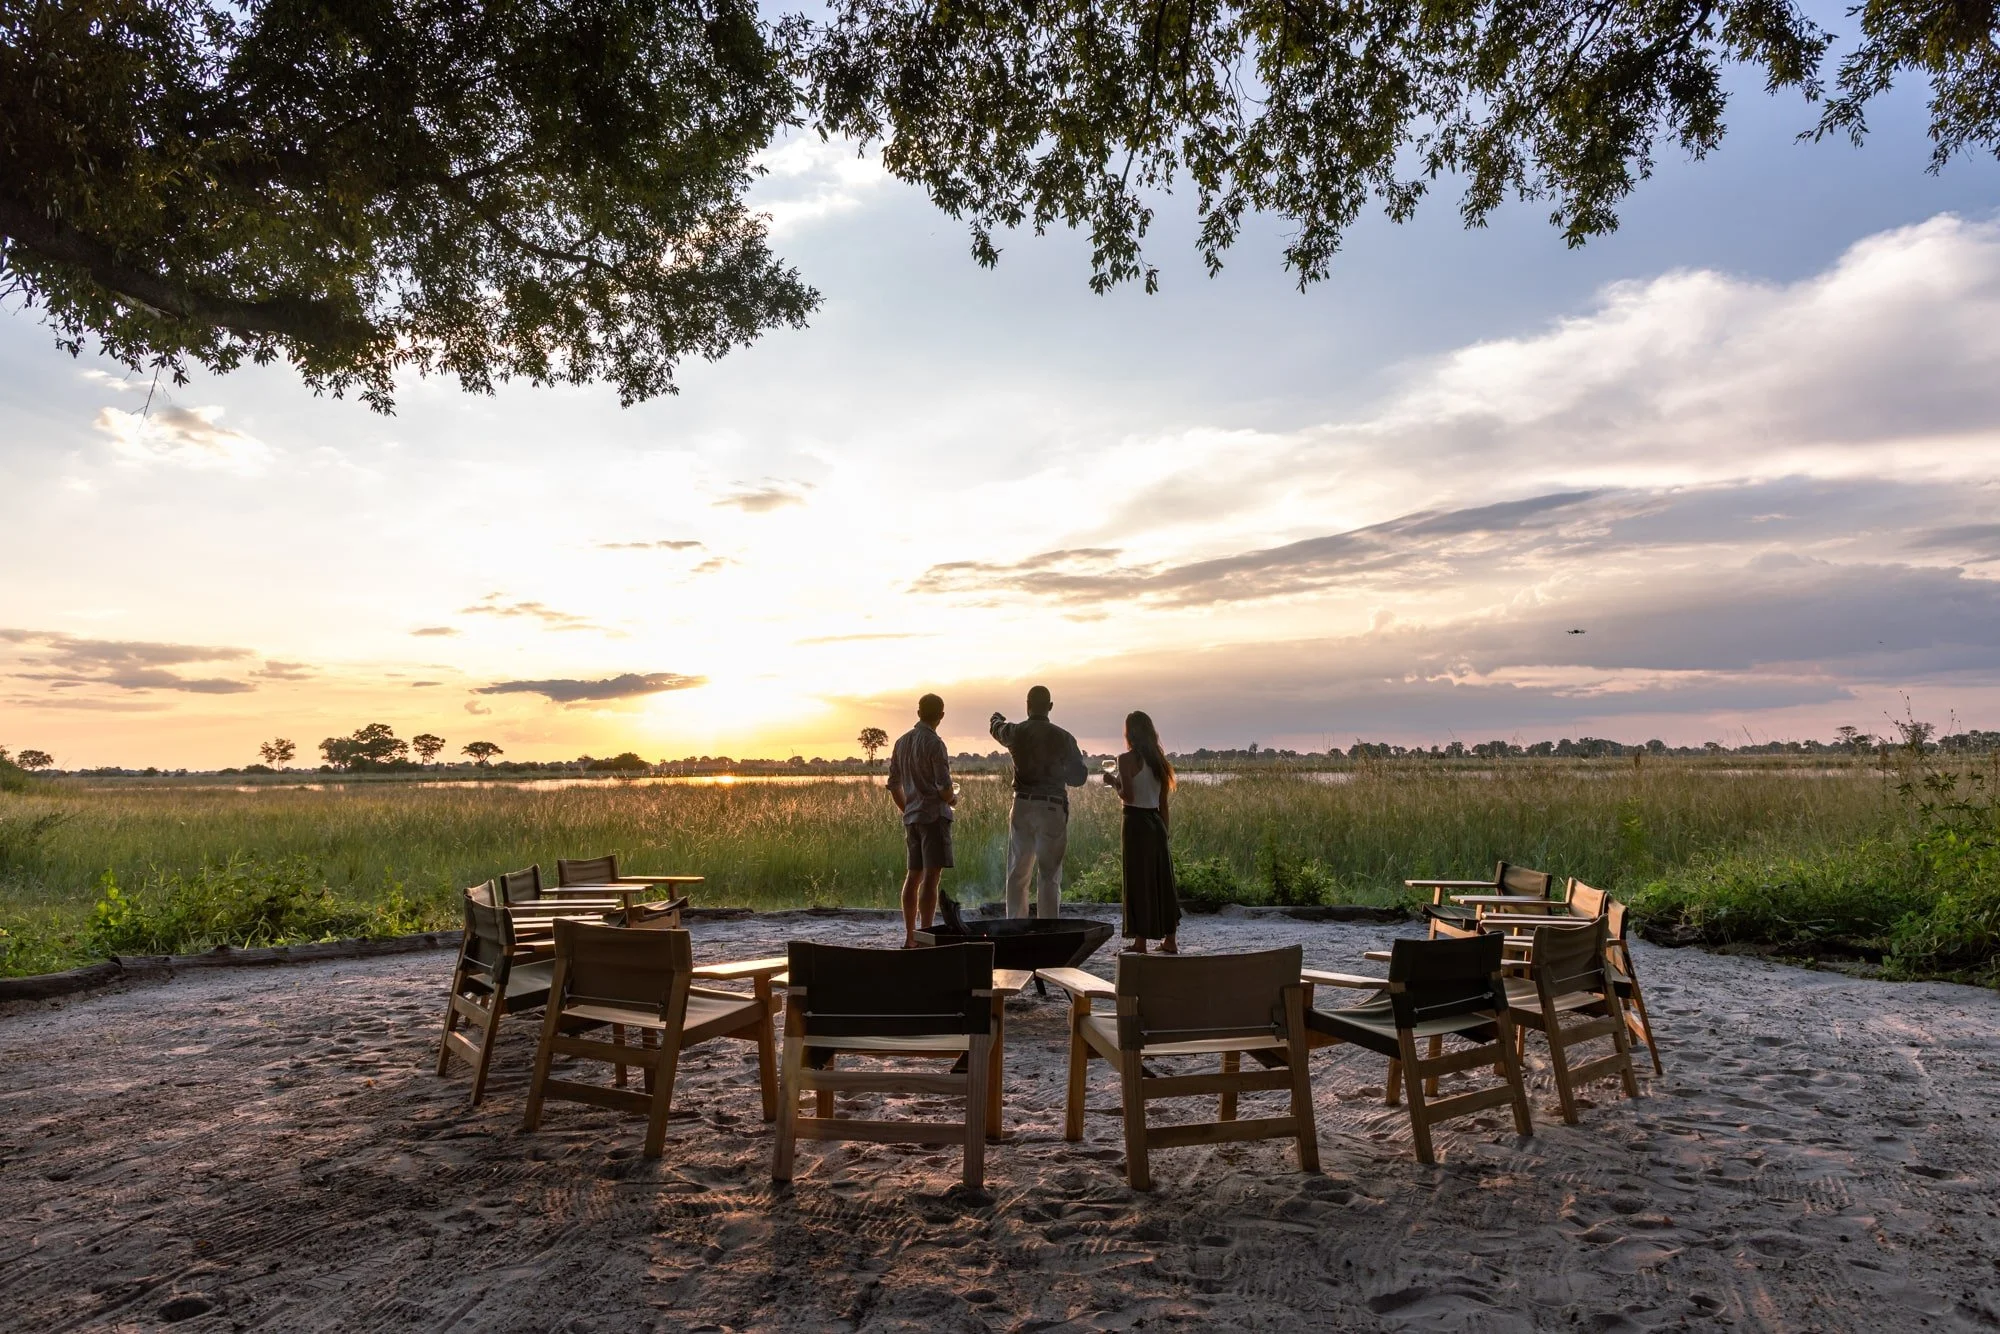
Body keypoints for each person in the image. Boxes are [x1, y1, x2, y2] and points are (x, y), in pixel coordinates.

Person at [989, 685, 1088, 919]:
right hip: (1052, 806)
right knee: (1049, 874)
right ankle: (1049, 927)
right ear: (1050, 707)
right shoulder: (1064, 737)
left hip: (1022, 804)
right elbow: (1079, 777)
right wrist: (1057, 772)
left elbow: (998, 729)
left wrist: (995, 719)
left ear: (1027, 705)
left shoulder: (1016, 732)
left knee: (1018, 871)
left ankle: (1016, 925)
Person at [1105, 710, 1180, 953]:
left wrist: (1112, 781)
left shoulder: (1125, 760)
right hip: (1156, 822)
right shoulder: (1160, 762)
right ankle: (1170, 940)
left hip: (1135, 822)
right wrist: (1164, 833)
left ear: (1130, 732)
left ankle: (1140, 943)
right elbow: (1164, 803)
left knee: (1138, 880)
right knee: (1161, 880)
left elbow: (1128, 795)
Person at [886, 693, 956, 948]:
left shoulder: (901, 742)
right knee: (931, 877)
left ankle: (910, 936)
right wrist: (952, 800)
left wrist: (907, 809)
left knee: (912, 875)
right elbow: (944, 786)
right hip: (934, 817)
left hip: (912, 817)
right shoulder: (935, 743)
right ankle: (926, 935)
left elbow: (893, 785)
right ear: (941, 715)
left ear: (918, 713)